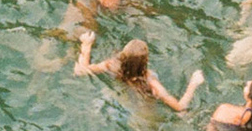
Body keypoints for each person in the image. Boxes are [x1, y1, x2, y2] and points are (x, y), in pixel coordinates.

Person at [74, 30, 203, 112]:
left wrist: (86, 44)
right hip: (138, 112)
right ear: (146, 60)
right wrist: (193, 84)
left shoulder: (111, 65)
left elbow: (81, 70)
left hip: (114, 102)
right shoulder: (151, 81)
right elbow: (179, 107)